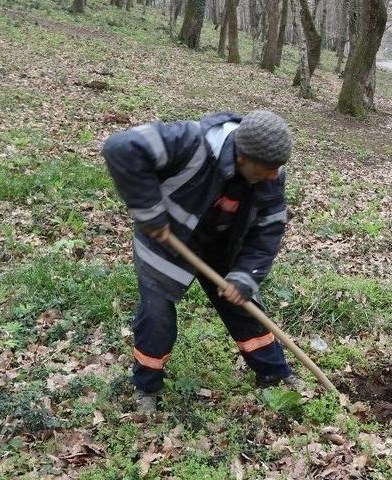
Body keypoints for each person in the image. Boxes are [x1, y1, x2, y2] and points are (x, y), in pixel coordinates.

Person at [102, 110, 299, 413]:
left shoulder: (272, 177)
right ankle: (147, 388)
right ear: (244, 157)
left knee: (244, 307)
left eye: (278, 168)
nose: (275, 175)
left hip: (222, 245)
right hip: (168, 241)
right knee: (157, 317)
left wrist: (245, 276)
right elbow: (120, 147)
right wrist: (149, 211)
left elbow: (268, 231)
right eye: (269, 167)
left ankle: (274, 373)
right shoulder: (191, 142)